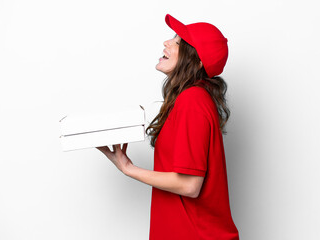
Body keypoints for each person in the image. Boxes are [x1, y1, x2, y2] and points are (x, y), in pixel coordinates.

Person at [97, 14, 240, 240]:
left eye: (179, 41)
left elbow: (190, 185)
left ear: (197, 59)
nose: (167, 42)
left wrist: (128, 169)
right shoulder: (191, 99)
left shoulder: (192, 100)